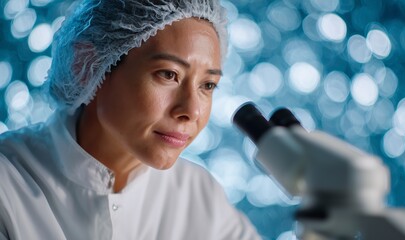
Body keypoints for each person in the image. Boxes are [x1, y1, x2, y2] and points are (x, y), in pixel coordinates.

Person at [0, 0, 261, 239]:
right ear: (86, 65)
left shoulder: (198, 193)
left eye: (208, 85)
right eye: (169, 74)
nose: (191, 111)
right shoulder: (8, 184)